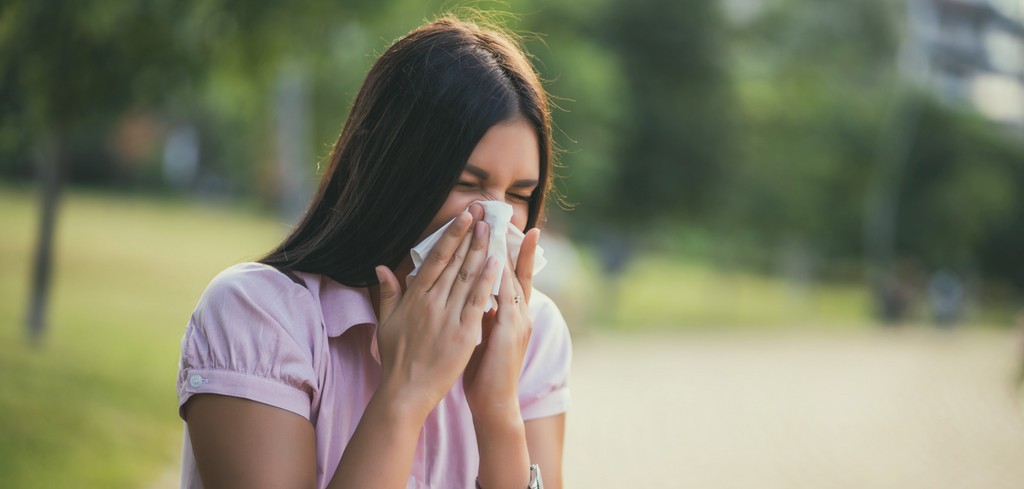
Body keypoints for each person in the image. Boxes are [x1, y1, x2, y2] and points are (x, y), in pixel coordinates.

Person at [175, 14, 572, 489]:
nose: (496, 218)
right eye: (468, 184)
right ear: (392, 173)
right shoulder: (259, 317)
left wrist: (499, 412)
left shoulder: (534, 334)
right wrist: (406, 393)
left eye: (520, 195)